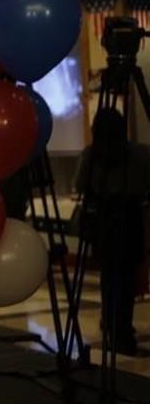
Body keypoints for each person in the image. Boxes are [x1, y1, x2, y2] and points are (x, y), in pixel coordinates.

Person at [75, 105, 150, 356]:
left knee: (109, 276)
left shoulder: (92, 156)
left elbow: (81, 185)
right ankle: (122, 328)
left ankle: (111, 321)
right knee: (126, 278)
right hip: (130, 218)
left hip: (104, 220)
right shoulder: (138, 155)